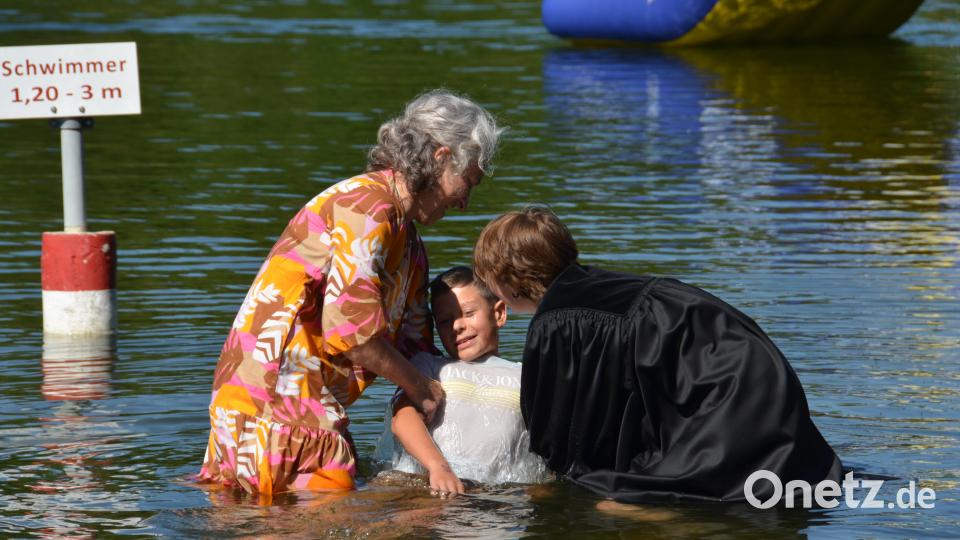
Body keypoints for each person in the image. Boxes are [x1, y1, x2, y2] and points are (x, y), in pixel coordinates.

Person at [197, 90, 502, 496]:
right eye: (468, 182)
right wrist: (420, 388)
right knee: (325, 515)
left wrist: (485, 384)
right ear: (441, 158)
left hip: (305, 405)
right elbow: (352, 333)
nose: (465, 203)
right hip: (274, 403)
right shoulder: (367, 208)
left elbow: (417, 350)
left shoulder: (410, 245)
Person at [472, 206, 842, 503]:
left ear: (510, 278)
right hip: (765, 385)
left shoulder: (557, 320)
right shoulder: (603, 287)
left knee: (612, 499)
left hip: (728, 408)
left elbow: (559, 429)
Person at [383, 266, 551, 498]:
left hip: (490, 498)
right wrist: (438, 467)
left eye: (469, 313)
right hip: (423, 487)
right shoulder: (429, 368)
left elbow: (550, 445)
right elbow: (403, 419)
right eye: (445, 321)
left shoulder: (526, 377)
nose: (457, 325)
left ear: (499, 313)